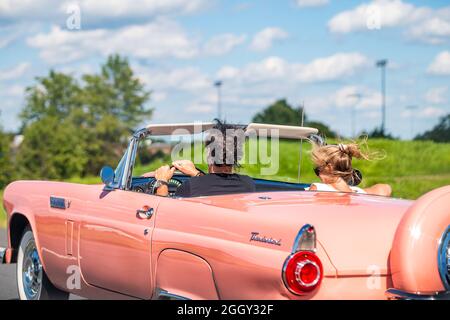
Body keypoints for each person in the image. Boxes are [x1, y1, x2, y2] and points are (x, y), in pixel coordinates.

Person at [151, 120, 256, 197]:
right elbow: (216, 185)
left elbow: (167, 215)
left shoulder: (191, 187)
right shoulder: (248, 184)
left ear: (208, 154)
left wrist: (162, 182)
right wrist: (196, 174)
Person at [308, 141, 392, 196]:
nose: (318, 174)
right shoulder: (358, 192)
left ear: (329, 168)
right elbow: (386, 188)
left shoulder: (317, 189)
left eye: (318, 169)